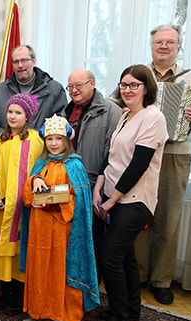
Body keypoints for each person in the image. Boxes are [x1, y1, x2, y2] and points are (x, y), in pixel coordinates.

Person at [135, 24, 191, 305]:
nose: (164, 46)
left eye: (170, 42)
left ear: (178, 47)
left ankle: (161, 280)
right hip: (141, 152)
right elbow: (115, 100)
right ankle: (138, 275)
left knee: (168, 218)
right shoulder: (139, 75)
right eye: (159, 41)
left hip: (175, 152)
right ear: (152, 46)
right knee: (139, 213)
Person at [91, 65, 168, 321]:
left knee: (109, 256)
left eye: (134, 85)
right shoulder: (126, 116)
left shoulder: (153, 118)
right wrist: (99, 185)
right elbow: (111, 156)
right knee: (125, 257)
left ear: (147, 87)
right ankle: (131, 308)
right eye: (124, 85)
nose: (127, 90)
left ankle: (118, 318)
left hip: (136, 200)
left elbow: (138, 165)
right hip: (113, 194)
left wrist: (112, 200)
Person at [19, 115, 99, 321]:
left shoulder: (75, 165)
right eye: (50, 138)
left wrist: (57, 203)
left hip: (64, 233)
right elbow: (27, 195)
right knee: (41, 269)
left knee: (62, 272)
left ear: (67, 140)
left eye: (59, 138)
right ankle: (42, 312)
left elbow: (81, 202)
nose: (53, 143)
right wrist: (34, 181)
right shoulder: (40, 164)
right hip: (39, 230)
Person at [0, 94, 43, 315]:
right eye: (10, 111)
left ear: (27, 116)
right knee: (4, 250)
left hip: (24, 207)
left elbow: (39, 171)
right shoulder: (0, 140)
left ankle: (19, 293)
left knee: (20, 248)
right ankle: (6, 289)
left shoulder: (37, 141)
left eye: (18, 112)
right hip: (3, 205)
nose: (12, 116)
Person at [64, 68, 121, 283]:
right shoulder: (65, 112)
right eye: (70, 86)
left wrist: (100, 185)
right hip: (68, 186)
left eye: (79, 85)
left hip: (95, 186)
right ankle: (74, 281)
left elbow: (113, 153)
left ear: (92, 83)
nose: (74, 90)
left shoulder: (110, 111)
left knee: (95, 238)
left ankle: (93, 286)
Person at [0, 45, 67, 138]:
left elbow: (60, 124)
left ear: (34, 62)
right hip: (8, 148)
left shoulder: (54, 89)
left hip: (41, 149)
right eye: (16, 62)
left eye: (24, 60)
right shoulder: (0, 90)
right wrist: (9, 138)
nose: (20, 65)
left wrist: (34, 140)